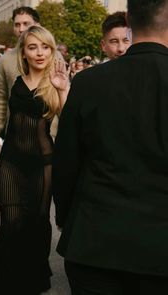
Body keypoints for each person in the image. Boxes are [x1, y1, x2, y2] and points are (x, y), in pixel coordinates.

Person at [52, 0, 168, 294]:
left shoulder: (90, 82)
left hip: (94, 239)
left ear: (129, 19)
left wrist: (66, 217)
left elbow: (66, 161)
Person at [0, 25, 69, 295]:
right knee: (10, 224)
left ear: (51, 49)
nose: (39, 52)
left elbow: (70, 124)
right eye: (33, 47)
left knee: (36, 223)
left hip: (43, 163)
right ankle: (2, 286)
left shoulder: (56, 80)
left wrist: (63, 91)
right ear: (24, 52)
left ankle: (31, 283)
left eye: (45, 46)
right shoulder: (16, 77)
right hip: (12, 161)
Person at [0, 6, 40, 143]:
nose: (21, 29)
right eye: (17, 25)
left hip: (48, 137)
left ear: (37, 25)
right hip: (14, 136)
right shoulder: (5, 60)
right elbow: (0, 98)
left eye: (26, 24)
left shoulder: (53, 56)